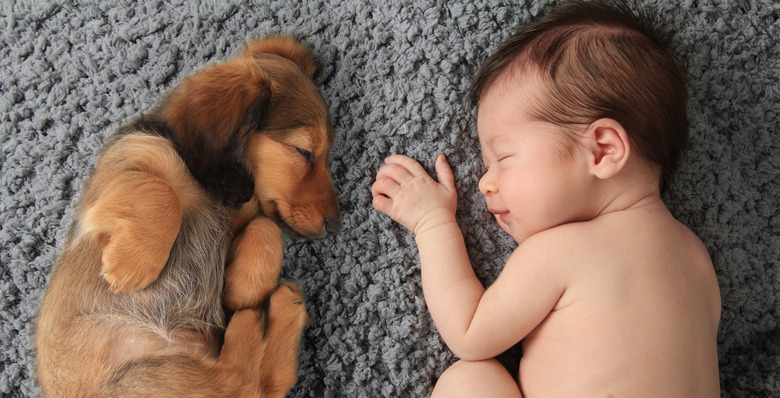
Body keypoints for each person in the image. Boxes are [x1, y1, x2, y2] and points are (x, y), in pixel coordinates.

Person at [370, 0, 721, 396]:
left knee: (470, 379)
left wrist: (431, 223)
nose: (486, 183)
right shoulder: (697, 258)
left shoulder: (563, 250)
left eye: (503, 159)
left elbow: (469, 332)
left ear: (603, 151)